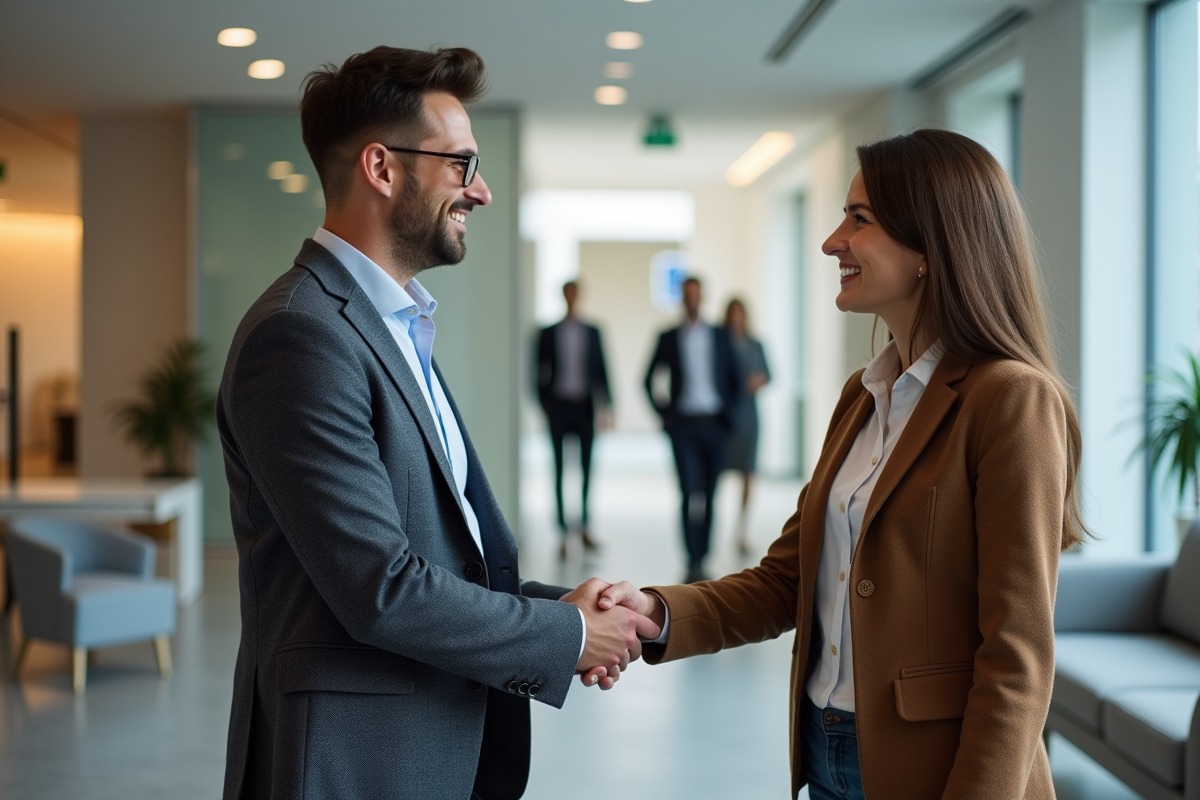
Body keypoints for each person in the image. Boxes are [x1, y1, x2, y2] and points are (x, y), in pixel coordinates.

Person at [216, 46, 656, 800]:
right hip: (354, 763)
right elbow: (379, 585)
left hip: (429, 746)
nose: (480, 192)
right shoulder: (300, 335)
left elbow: (438, 556)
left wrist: (564, 608)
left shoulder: (390, 326)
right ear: (383, 168)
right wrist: (571, 634)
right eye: (461, 165)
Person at [603, 130, 1085, 800]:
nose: (833, 241)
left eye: (859, 220)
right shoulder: (861, 398)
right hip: (826, 753)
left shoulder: (1010, 400)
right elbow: (787, 580)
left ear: (929, 246)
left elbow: (1017, 654)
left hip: (941, 772)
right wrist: (655, 611)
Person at [644, 276, 741, 583]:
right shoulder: (668, 337)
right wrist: (665, 415)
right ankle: (691, 559)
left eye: (696, 295)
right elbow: (647, 379)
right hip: (683, 426)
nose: (692, 300)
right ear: (682, 299)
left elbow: (737, 380)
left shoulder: (721, 335)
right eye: (687, 295)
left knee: (711, 494)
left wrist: (730, 416)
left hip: (715, 424)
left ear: (703, 298)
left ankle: (704, 558)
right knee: (688, 493)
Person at [534, 281, 612, 558]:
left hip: (585, 408)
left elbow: (603, 370)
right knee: (558, 470)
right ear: (563, 296)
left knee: (587, 469)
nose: (572, 297)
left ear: (579, 296)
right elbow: (536, 371)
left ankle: (585, 527)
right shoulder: (547, 333)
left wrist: (608, 407)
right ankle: (563, 532)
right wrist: (543, 404)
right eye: (567, 293)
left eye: (575, 293)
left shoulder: (593, 332)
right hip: (559, 407)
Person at [721, 297, 771, 554]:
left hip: (749, 417)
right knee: (715, 475)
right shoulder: (719, 344)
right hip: (724, 417)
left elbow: (768, 374)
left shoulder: (755, 345)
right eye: (733, 313)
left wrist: (756, 381)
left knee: (748, 474)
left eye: (741, 314)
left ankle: (741, 531)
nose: (737, 318)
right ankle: (712, 529)